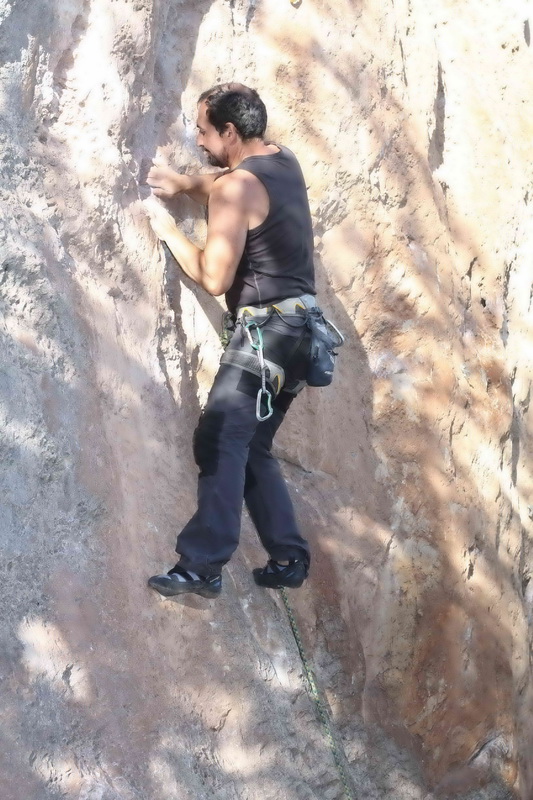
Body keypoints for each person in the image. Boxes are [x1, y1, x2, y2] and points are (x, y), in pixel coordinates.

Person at [144, 83, 317, 599]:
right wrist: (182, 183)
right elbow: (226, 184)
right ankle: (288, 555)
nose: (197, 138)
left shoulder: (235, 186)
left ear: (230, 131)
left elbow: (216, 278)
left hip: (265, 338)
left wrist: (171, 233)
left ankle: (201, 566)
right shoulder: (281, 159)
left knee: (219, 437)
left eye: (203, 130)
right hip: (302, 336)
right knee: (253, 443)